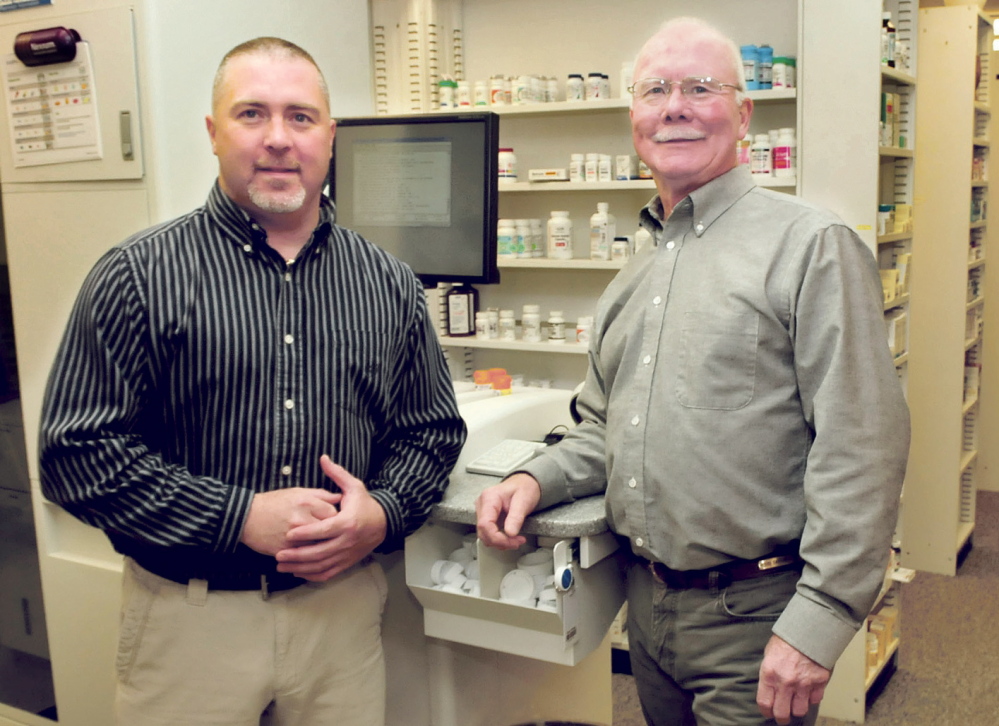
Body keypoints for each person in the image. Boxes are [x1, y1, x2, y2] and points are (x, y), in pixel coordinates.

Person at [476, 17, 909, 726]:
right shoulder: (638, 266)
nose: (674, 105)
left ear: (742, 114)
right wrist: (533, 477)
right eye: (654, 89)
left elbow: (862, 446)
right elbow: (604, 428)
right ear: (633, 119)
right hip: (647, 609)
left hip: (755, 618)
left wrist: (819, 621)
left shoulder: (809, 247)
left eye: (699, 87)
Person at [38, 37, 466, 726]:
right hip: (189, 623)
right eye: (251, 115)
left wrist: (383, 511)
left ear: (329, 137)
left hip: (340, 615)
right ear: (213, 133)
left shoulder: (386, 282)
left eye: (300, 117)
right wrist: (237, 517)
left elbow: (430, 433)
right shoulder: (138, 276)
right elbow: (75, 456)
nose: (277, 139)